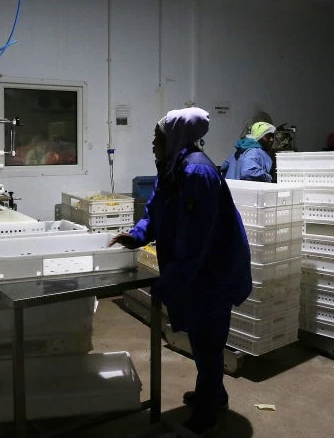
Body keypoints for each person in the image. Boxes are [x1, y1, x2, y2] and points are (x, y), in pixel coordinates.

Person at [110, 107, 252, 435]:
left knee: (209, 340)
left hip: (213, 268)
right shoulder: (171, 168)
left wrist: (167, 283)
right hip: (196, 267)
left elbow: (196, 242)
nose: (152, 144)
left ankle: (208, 409)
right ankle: (213, 393)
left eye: (156, 138)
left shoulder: (197, 173)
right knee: (201, 337)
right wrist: (138, 235)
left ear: (174, 139)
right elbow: (156, 211)